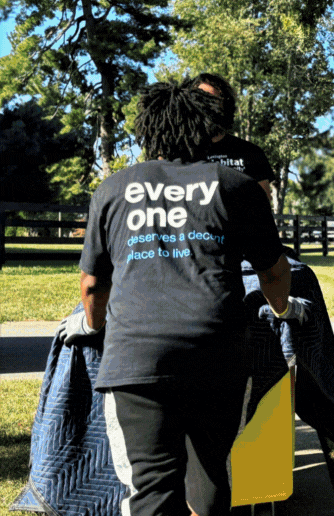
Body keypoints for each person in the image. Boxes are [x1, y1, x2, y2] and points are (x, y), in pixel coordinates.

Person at [75, 81, 306, 516]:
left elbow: (92, 284)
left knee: (153, 486)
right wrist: (282, 309)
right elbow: (275, 271)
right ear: (206, 128)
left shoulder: (113, 189)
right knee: (210, 477)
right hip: (215, 350)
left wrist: (96, 327)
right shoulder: (236, 186)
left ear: (148, 130)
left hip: (136, 358)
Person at [187, 73, 276, 201]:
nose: (207, 106)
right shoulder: (180, 154)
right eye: (201, 100)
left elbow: (264, 209)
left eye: (213, 100)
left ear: (226, 106)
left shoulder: (251, 154)